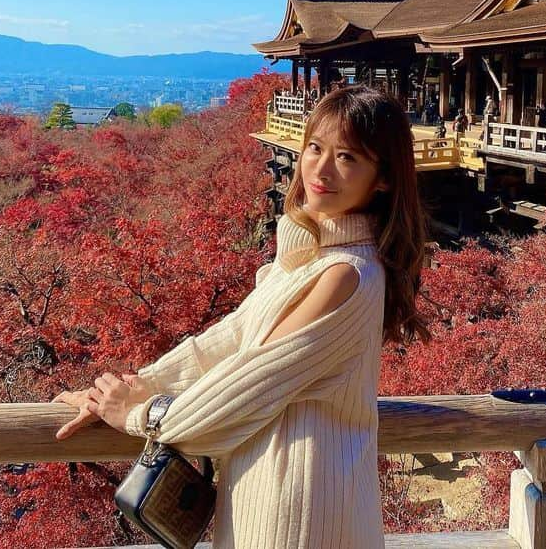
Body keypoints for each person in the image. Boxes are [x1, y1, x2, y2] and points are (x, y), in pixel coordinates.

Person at [52, 85, 430, 548]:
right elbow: (231, 337)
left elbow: (249, 382)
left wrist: (141, 417)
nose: (320, 168)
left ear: (384, 178)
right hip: (270, 493)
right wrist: (133, 386)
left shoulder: (345, 275)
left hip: (301, 511)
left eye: (347, 157)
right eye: (315, 147)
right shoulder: (310, 258)